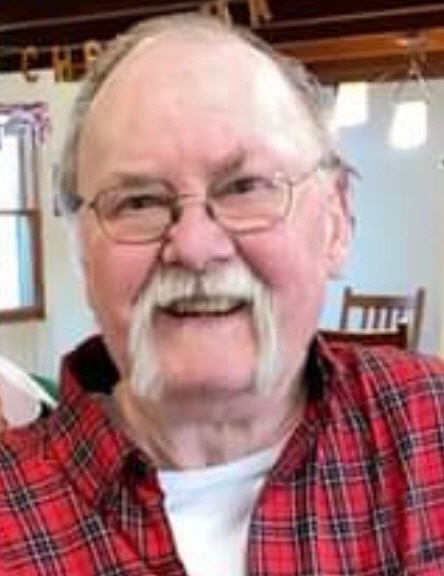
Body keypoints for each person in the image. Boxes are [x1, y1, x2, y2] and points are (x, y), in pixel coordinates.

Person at [0, 12, 444, 575]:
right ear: (83, 252)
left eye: (245, 187)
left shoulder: (432, 427)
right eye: (138, 201)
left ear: (336, 222)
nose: (194, 247)